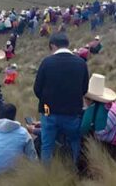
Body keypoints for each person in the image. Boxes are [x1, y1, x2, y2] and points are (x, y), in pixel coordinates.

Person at [33, 32, 89, 164]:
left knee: (47, 145)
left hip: (48, 111)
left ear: (52, 45)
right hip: (72, 112)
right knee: (75, 141)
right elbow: (84, 89)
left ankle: (47, 175)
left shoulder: (46, 63)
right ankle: (74, 168)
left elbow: (37, 89)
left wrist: (47, 104)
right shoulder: (81, 63)